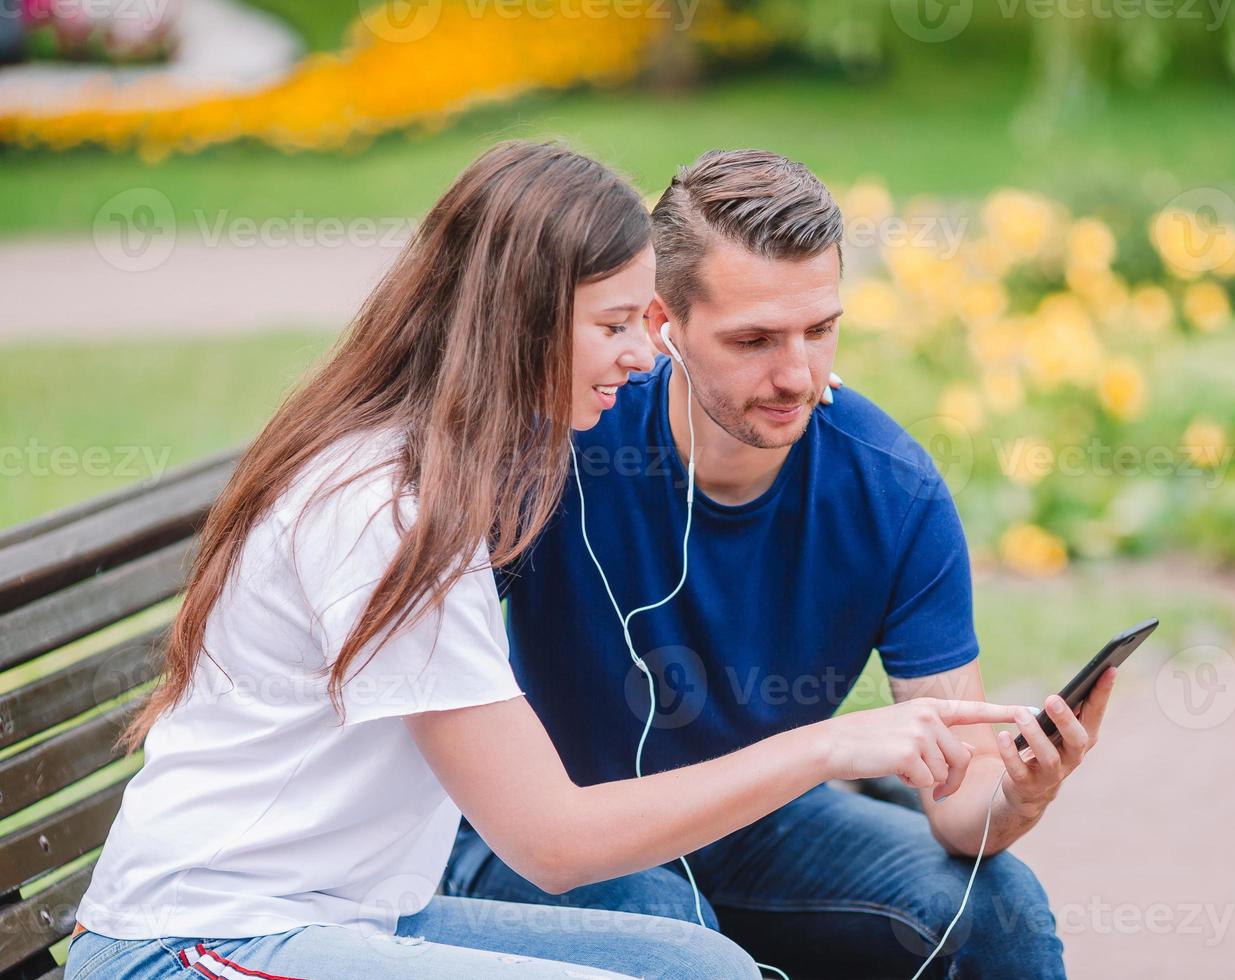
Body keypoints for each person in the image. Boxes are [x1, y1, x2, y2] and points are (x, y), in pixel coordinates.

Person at [65, 141, 1024, 980]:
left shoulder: (455, 464)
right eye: (614, 326)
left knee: (700, 968)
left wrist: (784, 377)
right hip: (196, 944)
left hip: (351, 913)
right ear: (517, 324)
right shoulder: (384, 509)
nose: (643, 358)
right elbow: (553, 845)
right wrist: (825, 746)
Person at [443, 150, 1118, 979]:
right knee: (668, 930)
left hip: (759, 822)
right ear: (663, 325)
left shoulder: (892, 493)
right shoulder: (565, 440)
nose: (796, 375)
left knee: (1001, 909)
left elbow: (959, 806)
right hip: (545, 834)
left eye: (819, 330)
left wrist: (1018, 795)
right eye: (755, 340)